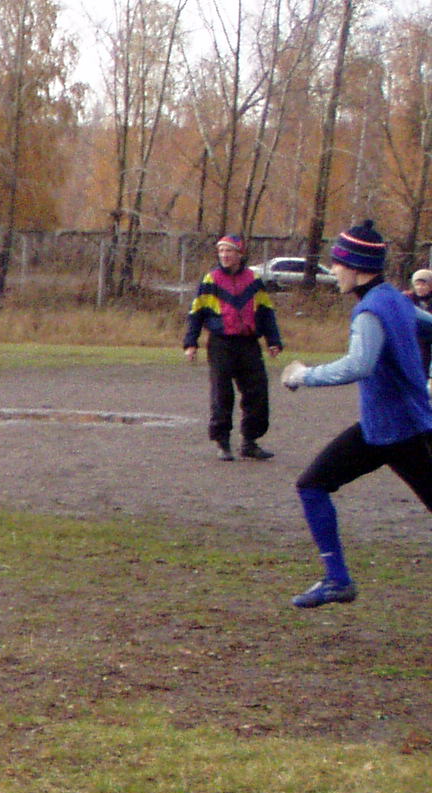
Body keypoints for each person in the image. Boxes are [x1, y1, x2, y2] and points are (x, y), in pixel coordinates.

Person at [279, 220, 432, 608]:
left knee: (313, 485)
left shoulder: (371, 310)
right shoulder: (396, 299)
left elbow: (358, 365)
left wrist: (303, 375)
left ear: (358, 266)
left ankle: (338, 580)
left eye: (338, 263)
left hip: (405, 432)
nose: (333, 270)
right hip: (381, 431)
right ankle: (337, 580)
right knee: (312, 484)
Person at [182, 233, 282, 460]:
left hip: (248, 343)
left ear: (240, 254)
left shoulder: (254, 280)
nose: (224, 255)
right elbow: (196, 313)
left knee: (257, 393)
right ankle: (223, 442)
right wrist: (191, 343)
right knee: (222, 394)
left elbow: (266, 312)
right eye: (221, 251)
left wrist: (273, 341)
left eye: (229, 251)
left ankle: (250, 442)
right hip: (221, 343)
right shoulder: (211, 279)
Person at [410, 267, 432, 391]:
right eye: (417, 284)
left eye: (424, 284)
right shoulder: (407, 299)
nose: (420, 287)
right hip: (413, 341)